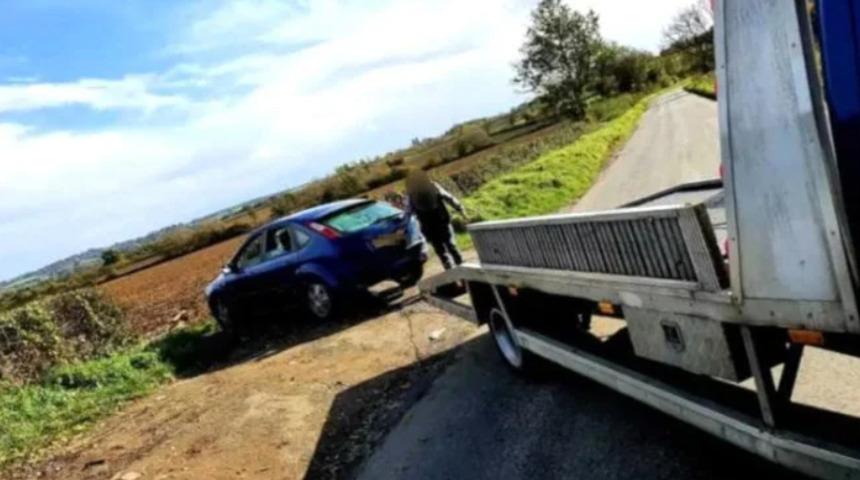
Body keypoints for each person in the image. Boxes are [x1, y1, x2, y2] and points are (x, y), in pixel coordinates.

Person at [404, 170, 466, 269]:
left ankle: (449, 267)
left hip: (427, 225)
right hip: (442, 220)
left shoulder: (411, 195)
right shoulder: (433, 186)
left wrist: (404, 226)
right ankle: (461, 264)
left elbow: (408, 212)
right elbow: (449, 198)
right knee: (450, 243)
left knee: (440, 249)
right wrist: (460, 208)